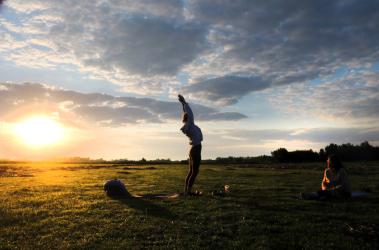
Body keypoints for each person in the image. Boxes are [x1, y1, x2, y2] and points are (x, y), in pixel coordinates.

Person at [178, 94, 203, 196]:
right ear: (188, 118)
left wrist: (183, 105)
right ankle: (188, 192)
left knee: (191, 171)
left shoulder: (188, 126)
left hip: (193, 149)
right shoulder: (190, 125)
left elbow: (187, 112)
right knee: (195, 171)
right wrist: (184, 102)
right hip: (196, 149)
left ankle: (186, 191)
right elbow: (189, 113)